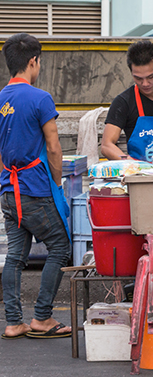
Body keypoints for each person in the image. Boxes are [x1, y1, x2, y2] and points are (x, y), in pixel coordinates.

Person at [0, 33, 71, 340]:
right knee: (60, 247)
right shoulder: (40, 98)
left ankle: (14, 322)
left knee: (15, 255)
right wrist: (57, 183)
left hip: (8, 190)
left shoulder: (1, 98)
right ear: (33, 61)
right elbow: (54, 148)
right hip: (34, 190)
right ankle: (42, 317)